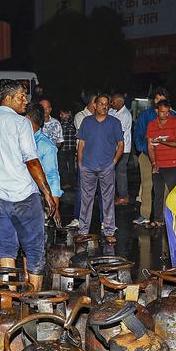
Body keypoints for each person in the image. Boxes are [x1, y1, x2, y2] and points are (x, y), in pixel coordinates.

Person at [0, 80, 60, 291]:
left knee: (6, 248)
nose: (26, 101)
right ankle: (32, 301)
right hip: (24, 198)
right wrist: (47, 194)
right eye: (21, 96)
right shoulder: (22, 124)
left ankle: (8, 301)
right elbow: (31, 160)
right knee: (33, 249)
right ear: (8, 98)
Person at [69, 93, 124, 244]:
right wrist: (80, 163)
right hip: (87, 166)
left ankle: (109, 231)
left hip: (107, 166)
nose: (104, 106)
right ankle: (83, 231)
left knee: (107, 200)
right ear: (95, 105)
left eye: (107, 104)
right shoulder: (87, 122)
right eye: (101, 104)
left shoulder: (114, 122)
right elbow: (81, 144)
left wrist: (114, 161)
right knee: (86, 200)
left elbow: (120, 144)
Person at [132, 88, 169, 225]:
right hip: (147, 155)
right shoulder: (146, 115)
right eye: (157, 98)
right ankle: (145, 214)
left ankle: (164, 216)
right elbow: (138, 134)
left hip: (165, 156)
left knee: (164, 186)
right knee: (147, 184)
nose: (159, 101)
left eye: (162, 98)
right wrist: (143, 149)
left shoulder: (172, 115)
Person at [147, 99, 176, 230]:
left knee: (174, 193)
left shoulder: (175, 123)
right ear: (157, 111)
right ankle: (158, 219)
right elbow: (150, 146)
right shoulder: (151, 125)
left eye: (167, 112)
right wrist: (153, 162)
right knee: (158, 194)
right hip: (158, 164)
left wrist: (163, 142)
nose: (165, 115)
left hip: (173, 164)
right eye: (162, 112)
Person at [27, 102, 62, 209]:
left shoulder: (45, 146)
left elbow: (52, 176)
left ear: (27, 118)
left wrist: (54, 206)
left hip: (32, 198)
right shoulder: (16, 139)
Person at [109, 93, 133, 204]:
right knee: (113, 172)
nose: (111, 104)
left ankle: (124, 196)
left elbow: (119, 133)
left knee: (120, 173)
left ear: (119, 102)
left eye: (113, 102)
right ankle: (115, 194)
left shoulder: (125, 115)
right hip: (114, 147)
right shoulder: (114, 112)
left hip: (123, 149)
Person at [58, 106, 77, 187]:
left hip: (71, 148)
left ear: (68, 114)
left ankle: (74, 183)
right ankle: (66, 183)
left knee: (72, 166)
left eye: (63, 114)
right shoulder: (59, 123)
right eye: (61, 114)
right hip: (62, 148)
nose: (61, 116)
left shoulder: (73, 123)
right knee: (63, 166)